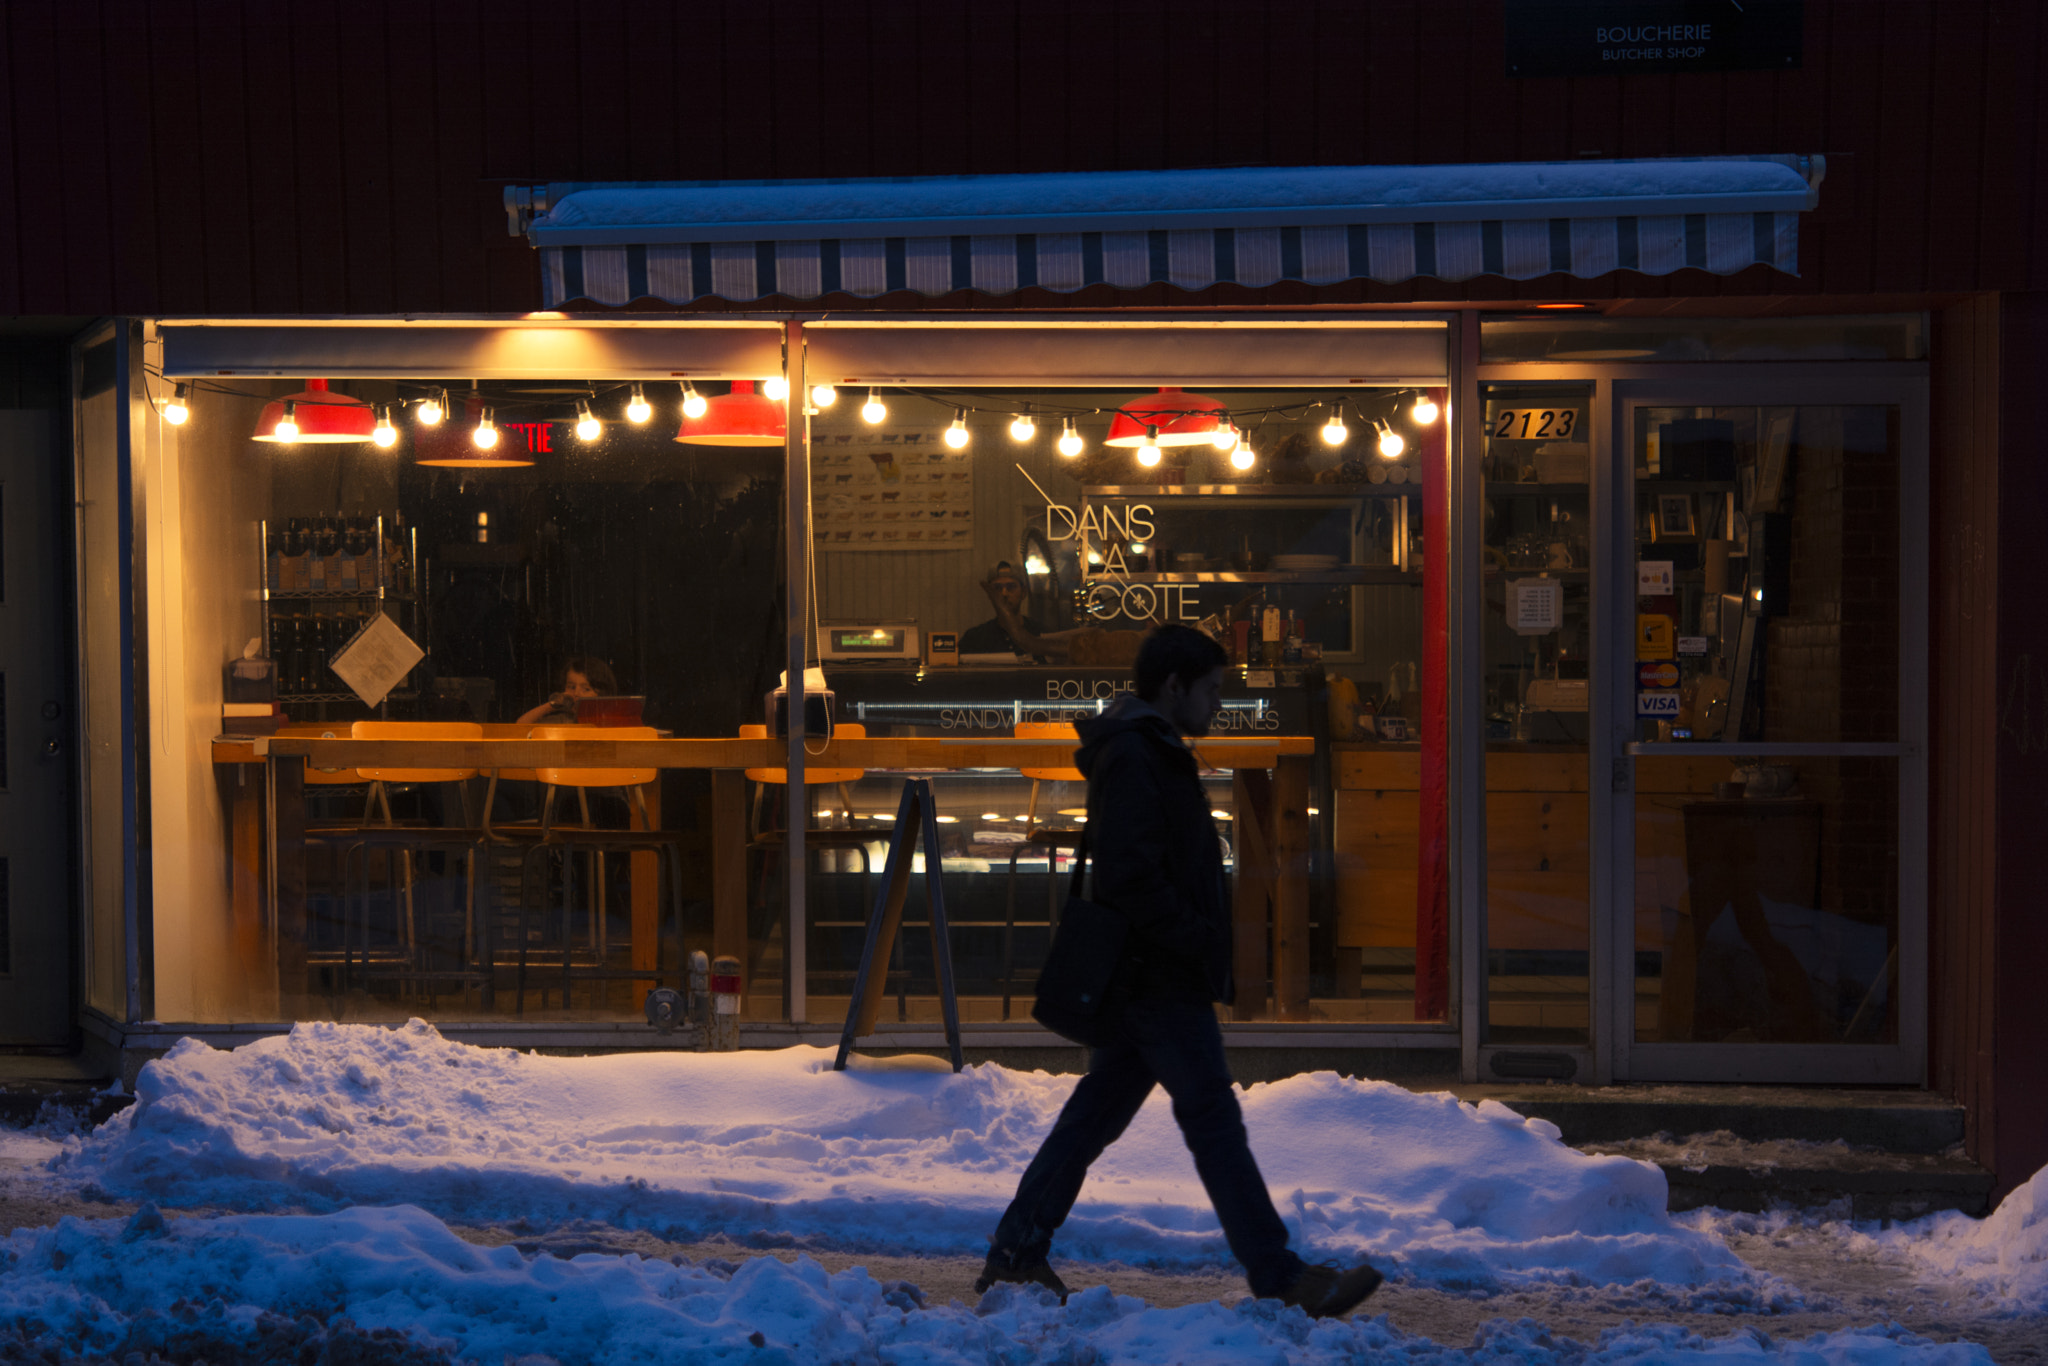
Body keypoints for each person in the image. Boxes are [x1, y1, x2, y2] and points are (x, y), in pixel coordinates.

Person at [976, 624, 1383, 1318]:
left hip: (1147, 973)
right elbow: (1132, 873)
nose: (1218, 706)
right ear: (1173, 687)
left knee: (1093, 1119)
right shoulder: (1138, 754)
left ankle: (1016, 1253)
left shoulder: (1145, 747)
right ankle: (1282, 1276)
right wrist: (1195, 937)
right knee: (1214, 1122)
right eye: (1212, 690)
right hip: (1158, 974)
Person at [958, 561, 1043, 656]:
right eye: (997, 588)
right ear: (990, 594)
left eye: (1011, 587)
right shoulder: (974, 639)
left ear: (1023, 592)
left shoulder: (1041, 636)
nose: (1004, 593)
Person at [516, 656, 616, 725]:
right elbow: (520, 727)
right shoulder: (563, 720)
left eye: (586, 689)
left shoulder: (611, 721)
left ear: (603, 694)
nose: (576, 694)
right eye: (572, 687)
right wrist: (552, 705)